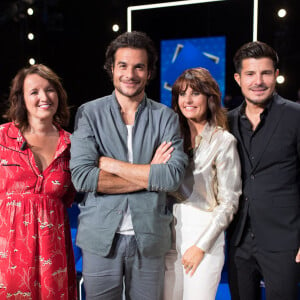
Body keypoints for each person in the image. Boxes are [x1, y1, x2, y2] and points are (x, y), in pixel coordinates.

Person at [70, 31, 188, 300]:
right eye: (123, 65)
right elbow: (84, 178)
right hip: (100, 238)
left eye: (139, 67)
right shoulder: (89, 113)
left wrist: (111, 164)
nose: (130, 74)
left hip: (149, 238)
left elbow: (171, 178)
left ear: (149, 72)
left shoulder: (166, 117)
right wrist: (149, 173)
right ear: (111, 68)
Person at [227, 41, 300, 300]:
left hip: (284, 240)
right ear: (238, 78)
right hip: (238, 240)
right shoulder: (227, 121)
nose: (258, 81)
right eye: (250, 74)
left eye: (265, 73)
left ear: (275, 75)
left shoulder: (295, 115)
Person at [163, 68, 242, 300]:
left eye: (195, 93)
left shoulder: (223, 141)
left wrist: (201, 247)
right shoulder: (170, 138)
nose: (188, 100)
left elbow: (229, 203)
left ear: (210, 98)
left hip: (203, 232)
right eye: (182, 94)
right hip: (168, 233)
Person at [0, 64, 77, 299]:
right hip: (8, 254)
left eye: (50, 89)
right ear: (22, 99)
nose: (44, 97)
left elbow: (69, 197)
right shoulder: (2, 137)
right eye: (34, 92)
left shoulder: (72, 144)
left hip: (53, 255)